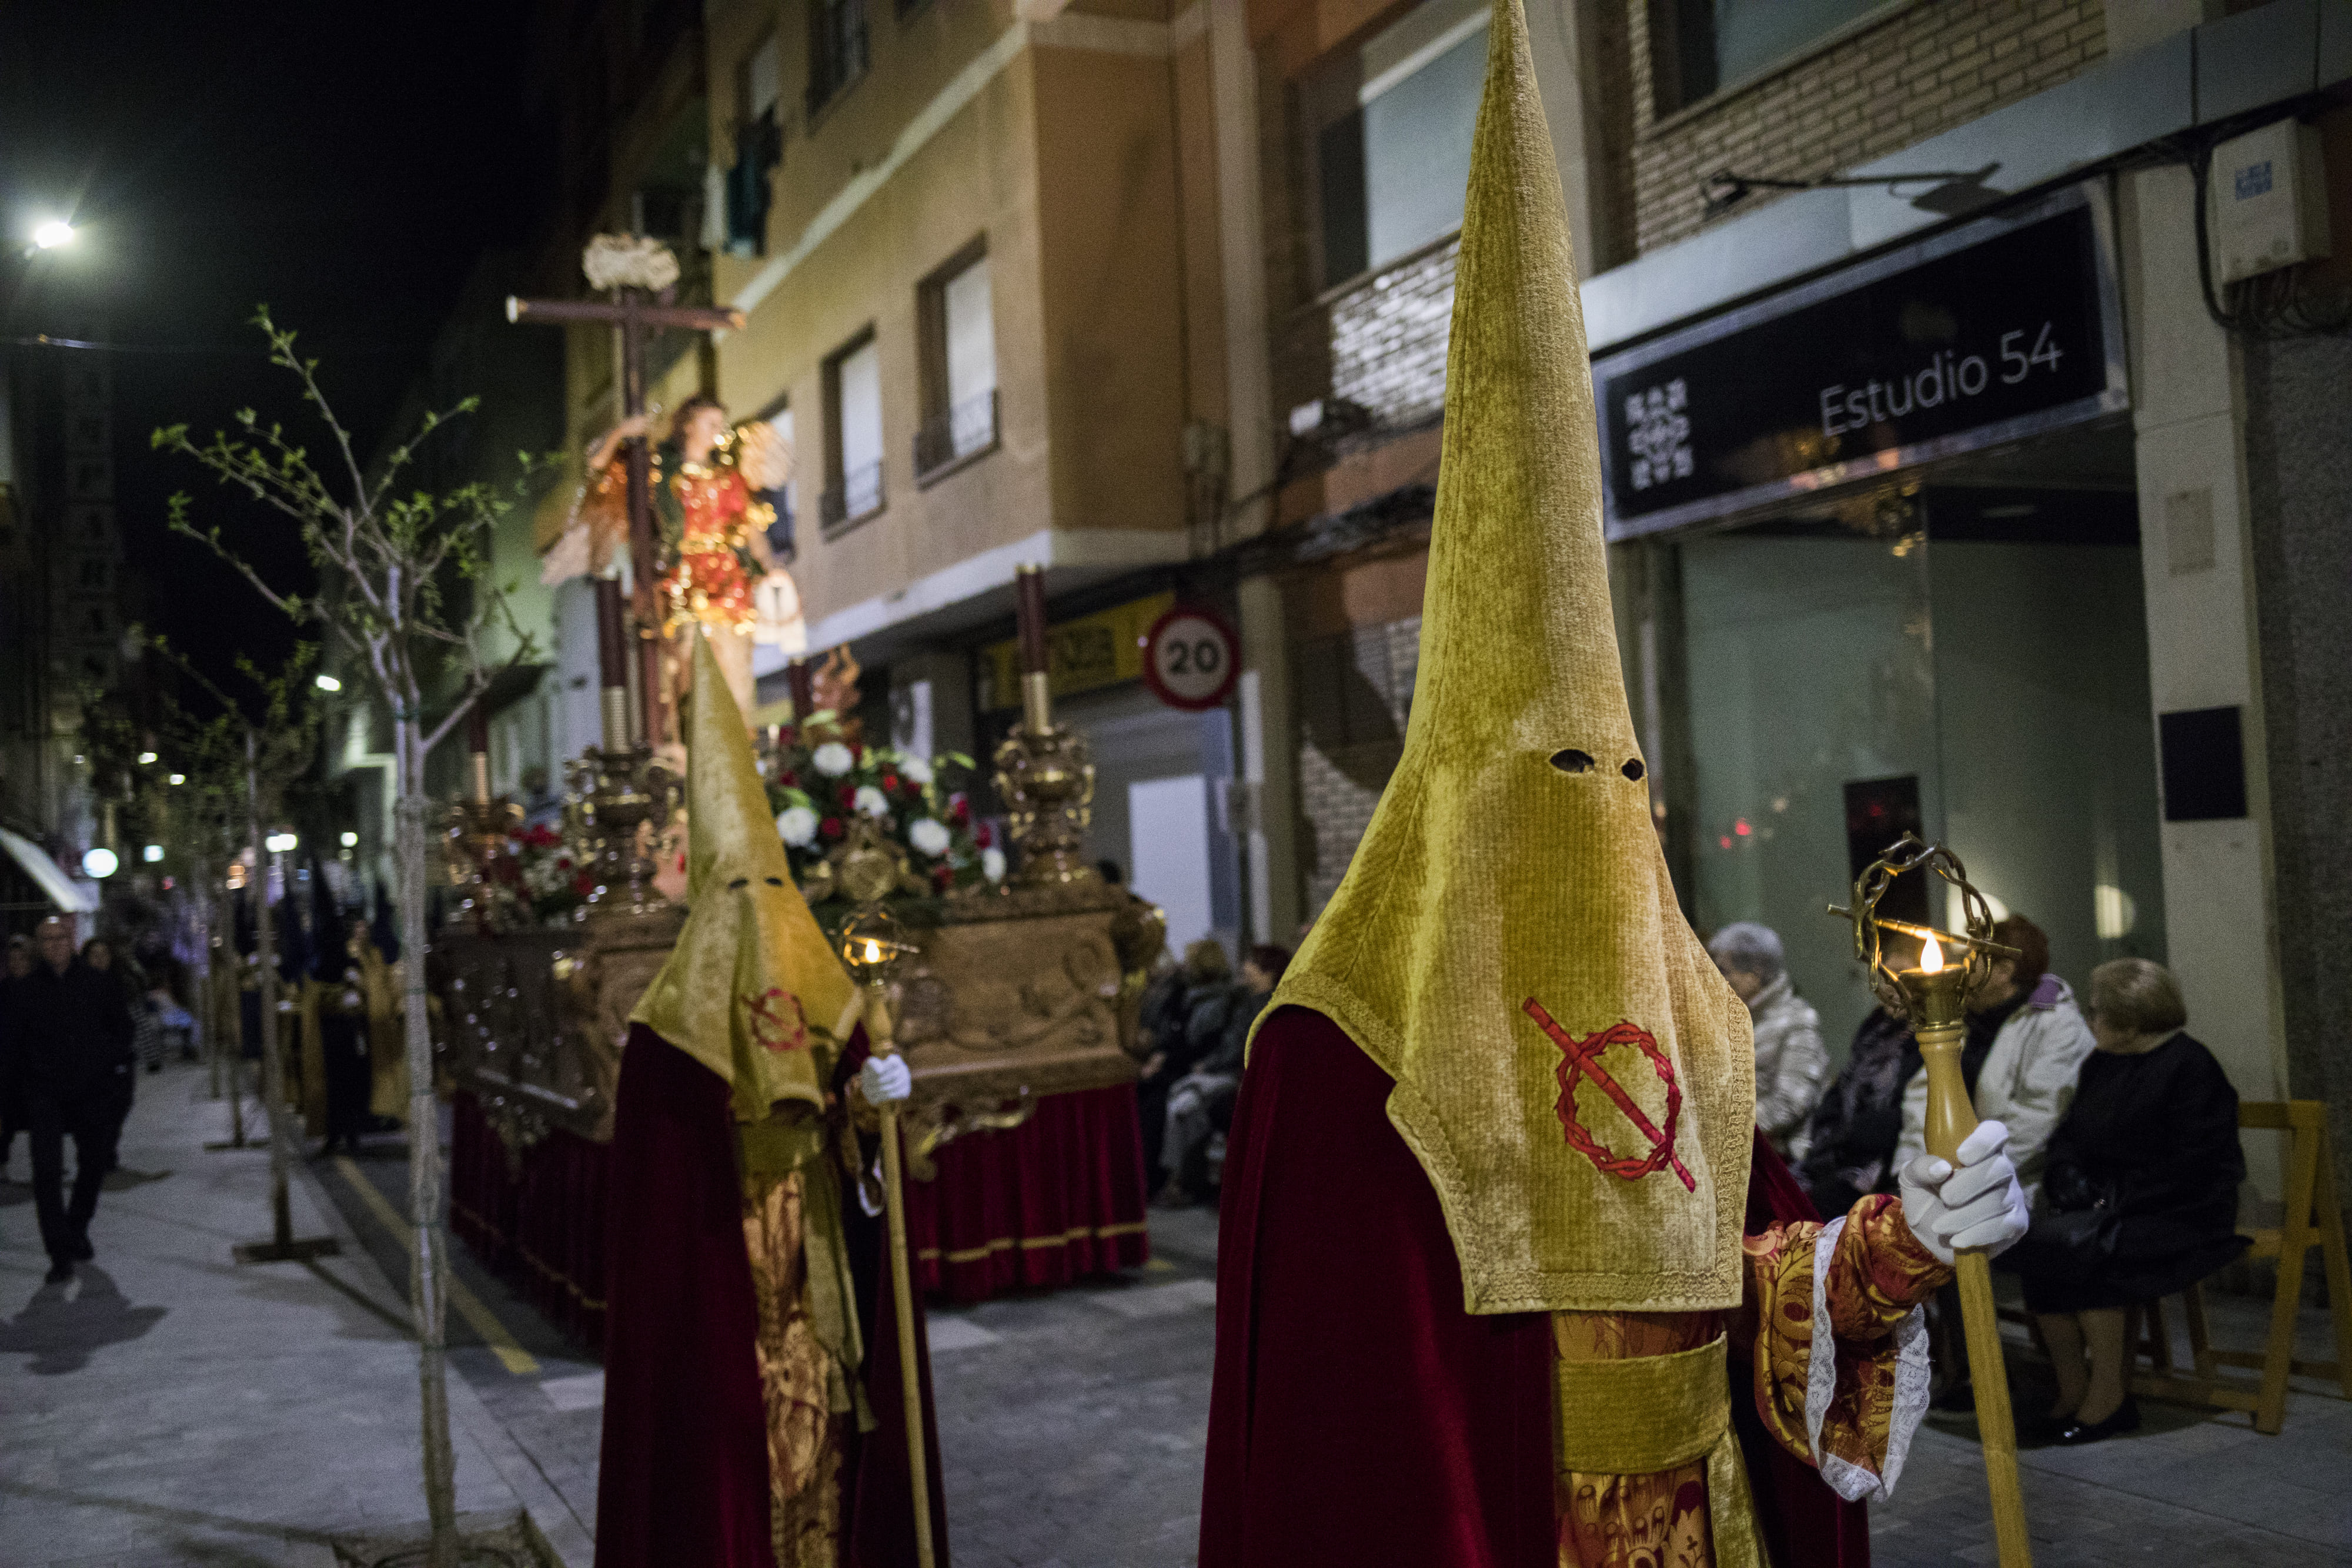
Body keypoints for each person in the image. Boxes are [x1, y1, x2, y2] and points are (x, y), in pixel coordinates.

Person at [1197, 16, 2029, 1563]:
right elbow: (1344, 1429)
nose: (1601, 805)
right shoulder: (1339, 1049)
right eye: (1556, 772)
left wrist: (1898, 1242)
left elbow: (1753, 1283)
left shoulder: (1695, 1022)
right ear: (1454, 807)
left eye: (1622, 773)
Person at [596, 631, 946, 1568]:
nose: (758, 906)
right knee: (728, 1455)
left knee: (830, 1437)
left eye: (771, 883)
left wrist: (873, 1106)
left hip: (820, 1279)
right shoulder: (666, 1034)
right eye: (738, 887)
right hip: (728, 1296)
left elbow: (863, 1140)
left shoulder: (824, 985)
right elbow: (662, 1209)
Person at [2002, 959, 2247, 1445]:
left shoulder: (2191, 1067)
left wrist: (2113, 1198)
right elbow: (2069, 1135)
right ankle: (2072, 1390)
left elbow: (2194, 1164)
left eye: (2097, 1012)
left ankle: (2108, 1399)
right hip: (2108, 1205)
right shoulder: (2102, 1062)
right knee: (2040, 1255)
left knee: (2094, 1260)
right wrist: (2066, 1175)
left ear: (2131, 1023)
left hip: (2181, 1210)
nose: (2089, 1020)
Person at [575, 396, 790, 724]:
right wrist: (622, 433)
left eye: (721, 424)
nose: (718, 431)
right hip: (684, 582)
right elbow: (599, 466)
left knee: (735, 674)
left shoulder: (730, 477)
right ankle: (690, 740)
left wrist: (771, 569)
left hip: (730, 585)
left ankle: (740, 739)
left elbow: (749, 529)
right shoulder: (662, 471)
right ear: (689, 426)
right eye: (711, 423)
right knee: (688, 672)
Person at [1896, 912, 2094, 1207]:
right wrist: (1912, 1174)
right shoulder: (1967, 1021)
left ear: (2002, 971)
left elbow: (2035, 1117)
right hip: (1941, 1183)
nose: (1962, 966)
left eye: (1971, 958)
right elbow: (1923, 1101)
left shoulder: (2057, 1025)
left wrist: (1967, 1180)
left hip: (2012, 1189)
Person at [20, 917, 135, 1283]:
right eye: (47, 939)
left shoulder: (97, 983)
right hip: (45, 1093)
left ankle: (78, 1225)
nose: (54, 945)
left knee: (94, 1162)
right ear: (39, 945)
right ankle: (59, 1250)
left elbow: (122, 1030)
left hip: (91, 1090)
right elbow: (15, 1044)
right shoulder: (27, 990)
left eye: (60, 938)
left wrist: (106, 1067)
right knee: (47, 1171)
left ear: (71, 941)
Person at [1158, 944, 1289, 1208]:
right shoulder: (1246, 1002)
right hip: (1227, 1072)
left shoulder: (1268, 1007)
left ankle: (1180, 1180)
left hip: (1236, 1076)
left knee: (1184, 1107)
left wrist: (1208, 1066)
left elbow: (1239, 1049)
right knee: (1181, 1101)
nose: (1245, 967)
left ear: (1268, 972)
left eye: (1251, 963)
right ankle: (1185, 1179)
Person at [1708, 921, 1827, 1159]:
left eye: (1725, 972)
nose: (1718, 981)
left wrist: (1718, 1130)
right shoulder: (1733, 1016)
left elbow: (1790, 1104)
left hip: (1780, 1157)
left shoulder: (1798, 1021)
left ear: (1756, 972)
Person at [1794, 1004, 1921, 1219]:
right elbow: (1841, 1094)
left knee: (1828, 1200)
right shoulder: (1876, 1027)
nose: (1889, 990)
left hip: (1885, 1165)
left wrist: (1851, 1135)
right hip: (1842, 1153)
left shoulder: (1926, 1036)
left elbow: (1899, 1123)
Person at [1135, 939, 1234, 1192]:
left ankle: (1165, 1179)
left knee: (1165, 1105)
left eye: (1190, 961)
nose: (1184, 966)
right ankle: (1150, 1177)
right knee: (1147, 1094)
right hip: (1183, 1063)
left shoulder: (1218, 1000)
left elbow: (1203, 1045)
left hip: (1201, 1068)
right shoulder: (1188, 996)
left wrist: (1165, 1059)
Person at [0, 933, 34, 1177]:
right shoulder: (4, 990)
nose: (17, 963)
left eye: (22, 958)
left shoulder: (39, 988)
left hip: (34, 1064)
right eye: (13, 959)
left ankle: (47, 1162)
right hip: (9, 1065)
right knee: (7, 1116)